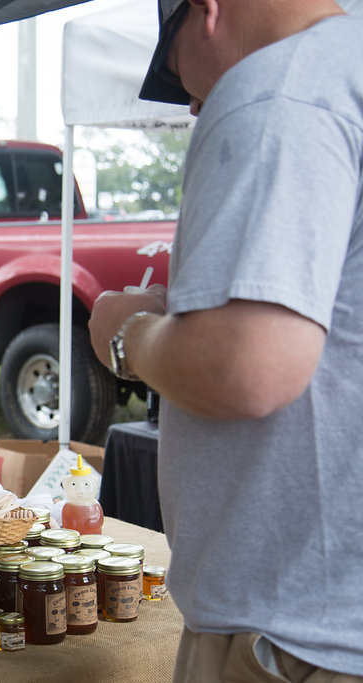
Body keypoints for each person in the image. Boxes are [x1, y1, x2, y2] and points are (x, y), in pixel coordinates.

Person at [88, 0, 363, 679]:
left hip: (290, 633)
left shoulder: (279, 88)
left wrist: (127, 333)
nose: (192, 105)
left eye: (179, 73)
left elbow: (246, 366)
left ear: (206, 10)